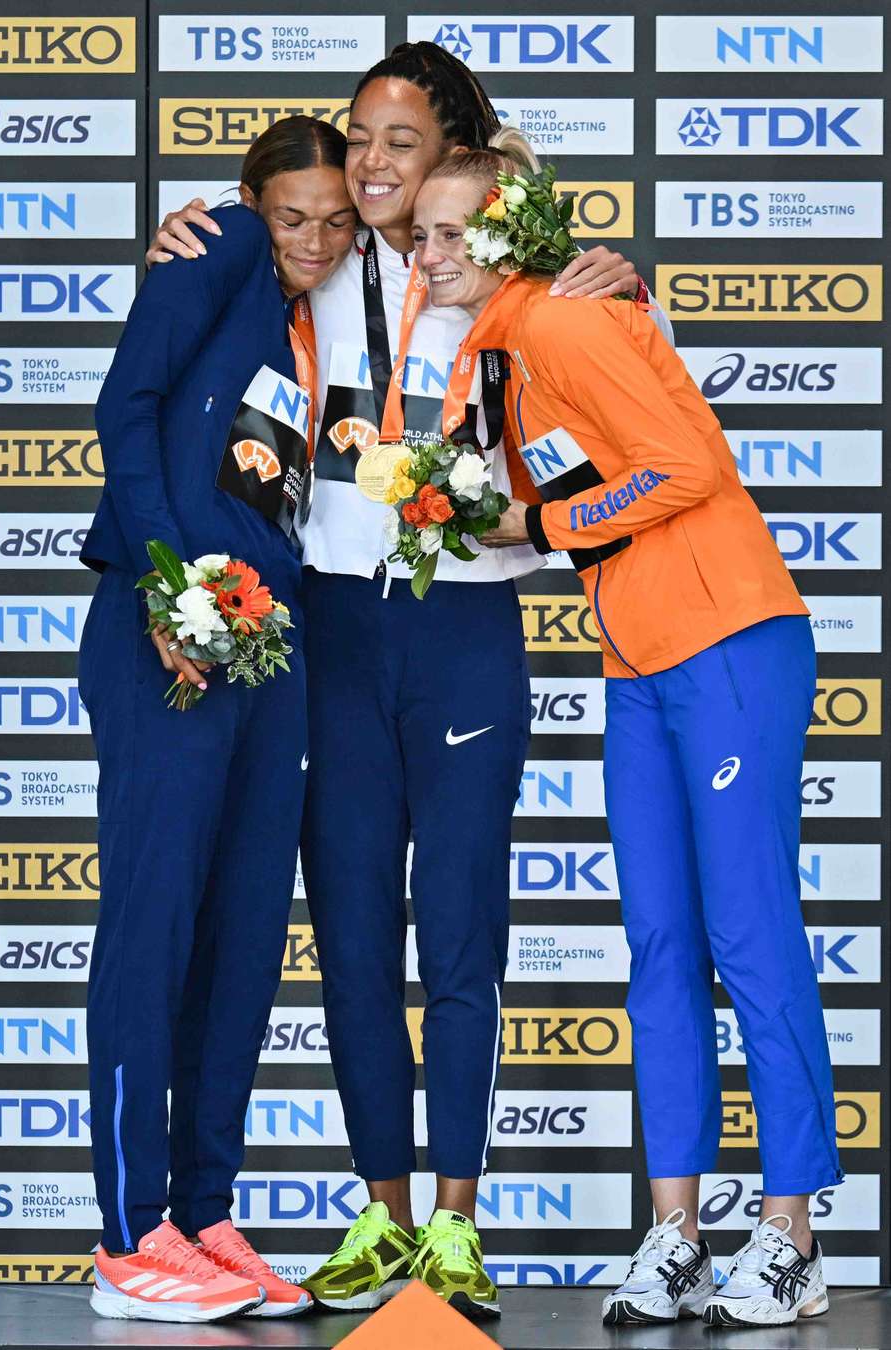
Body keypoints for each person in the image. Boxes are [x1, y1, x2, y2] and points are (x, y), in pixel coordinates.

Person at [146, 41, 673, 1321]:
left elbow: (637, 400)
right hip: (332, 626)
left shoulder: (518, 269)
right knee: (355, 939)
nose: (373, 166)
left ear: (453, 152)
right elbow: (215, 306)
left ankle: (455, 1223)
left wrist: (630, 286)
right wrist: (184, 237)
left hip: (467, 632)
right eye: (361, 138)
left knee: (461, 934)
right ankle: (380, 1219)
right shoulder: (304, 256)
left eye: (401, 144)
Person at [410, 148, 841, 1331]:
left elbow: (693, 465)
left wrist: (545, 515)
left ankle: (796, 1232)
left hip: (729, 640)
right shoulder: (499, 347)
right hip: (640, 660)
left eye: (456, 234)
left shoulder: (559, 319)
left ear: (507, 233)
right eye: (421, 239)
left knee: (747, 933)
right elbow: (543, 503)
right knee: (659, 949)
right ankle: (677, 1235)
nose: (431, 255)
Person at [80, 116, 355, 1323]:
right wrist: (163, 583)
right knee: (154, 927)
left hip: (268, 639)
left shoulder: (317, 317)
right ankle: (129, 1237)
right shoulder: (224, 247)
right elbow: (125, 410)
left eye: (336, 220)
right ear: (249, 200)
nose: (313, 238)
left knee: (243, 936)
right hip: (170, 631)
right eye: (292, 213)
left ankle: (203, 1212)